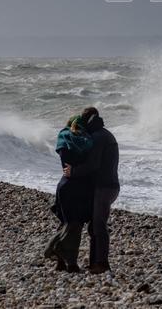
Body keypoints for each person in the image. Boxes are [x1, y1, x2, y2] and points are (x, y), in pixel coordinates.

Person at [62, 106, 119, 274]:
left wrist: (74, 171)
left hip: (105, 187)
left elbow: (93, 165)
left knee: (99, 225)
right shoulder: (103, 134)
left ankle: (102, 263)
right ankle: (95, 262)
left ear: (88, 120)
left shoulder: (98, 137)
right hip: (109, 185)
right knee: (95, 225)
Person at [44, 115, 95, 272]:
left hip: (63, 185)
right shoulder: (86, 142)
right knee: (75, 226)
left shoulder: (63, 139)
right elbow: (88, 166)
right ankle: (68, 261)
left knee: (65, 222)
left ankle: (60, 263)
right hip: (77, 187)